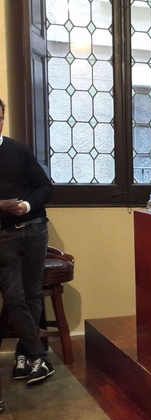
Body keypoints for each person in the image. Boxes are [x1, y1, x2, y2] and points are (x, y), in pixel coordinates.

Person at [0, 97, 56, 385]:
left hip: (34, 228)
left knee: (33, 294)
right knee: (13, 297)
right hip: (3, 235)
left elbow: (46, 187)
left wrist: (26, 206)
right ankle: (40, 356)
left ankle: (24, 355)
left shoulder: (18, 150)